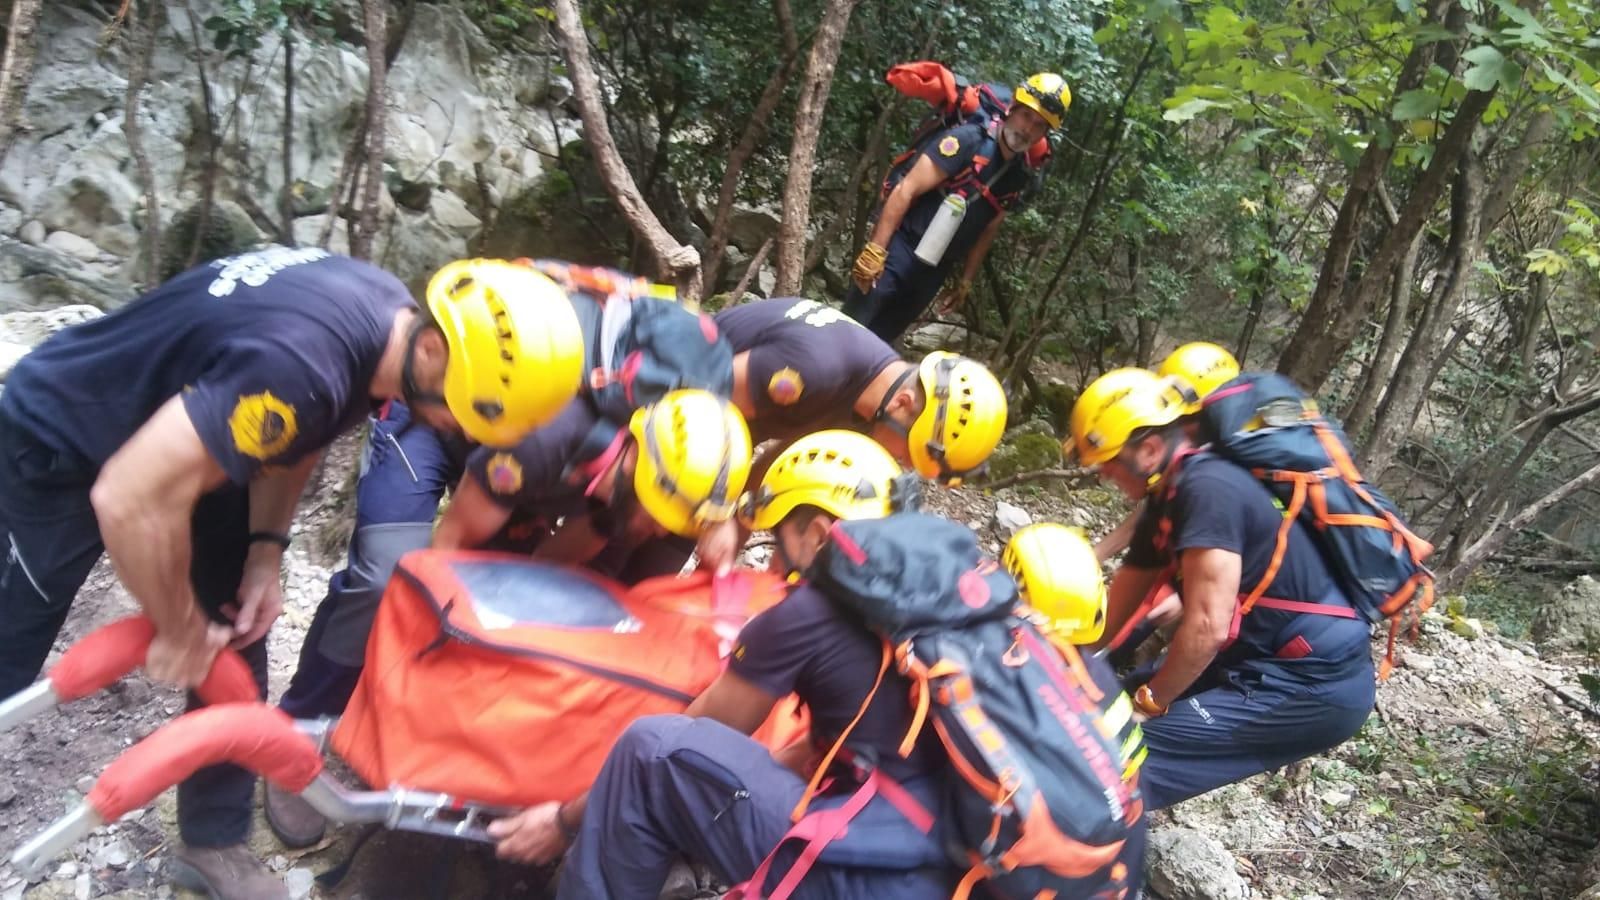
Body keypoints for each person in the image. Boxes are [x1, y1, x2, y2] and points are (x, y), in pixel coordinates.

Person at [0, 250, 584, 900]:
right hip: (62, 435)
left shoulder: (380, 330)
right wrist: (175, 628)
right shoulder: (308, 359)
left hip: (192, 437)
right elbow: (129, 496)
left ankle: (212, 839)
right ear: (432, 353)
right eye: (464, 415)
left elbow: (297, 439)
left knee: (237, 634)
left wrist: (264, 552)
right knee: (12, 638)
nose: (459, 433)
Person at [485, 430, 954, 897]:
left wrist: (564, 824)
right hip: (949, 857)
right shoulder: (933, 602)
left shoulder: (812, 611)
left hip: (875, 871)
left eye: (779, 539)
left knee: (648, 750)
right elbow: (817, 748)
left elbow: (688, 740)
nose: (773, 564)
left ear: (817, 537)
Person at [1069, 368, 1376, 811]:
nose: (1102, 475)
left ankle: (1078, 858)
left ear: (1150, 449)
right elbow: (1118, 606)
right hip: (1259, 657)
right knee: (1106, 707)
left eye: (1109, 462)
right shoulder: (1166, 499)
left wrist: (1152, 702)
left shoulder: (1208, 489)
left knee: (1124, 757)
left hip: (1310, 684)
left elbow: (1208, 627)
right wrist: (1063, 655)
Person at [843, 73, 1071, 343]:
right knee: (849, 330)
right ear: (1012, 109)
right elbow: (907, 188)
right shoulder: (968, 140)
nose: (1027, 129)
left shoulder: (1018, 175)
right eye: (1026, 117)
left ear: (1044, 135)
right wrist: (875, 250)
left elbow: (990, 226)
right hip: (899, 248)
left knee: (878, 345)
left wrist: (966, 280)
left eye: (1039, 126)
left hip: (934, 269)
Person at [431, 388, 752, 580]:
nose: (661, 532)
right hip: (438, 425)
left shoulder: (622, 495)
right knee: (388, 573)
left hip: (523, 488)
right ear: (636, 471)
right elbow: (446, 549)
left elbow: (547, 566)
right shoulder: (544, 443)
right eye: (659, 516)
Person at [1091, 342, 1241, 563]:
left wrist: (1097, 555)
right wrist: (1097, 555)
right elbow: (1152, 507)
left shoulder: (1216, 467)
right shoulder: (1208, 450)